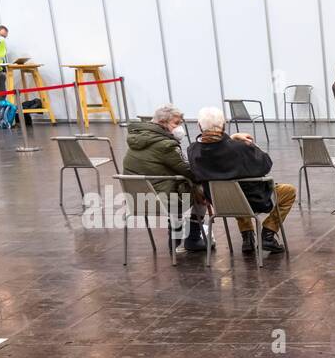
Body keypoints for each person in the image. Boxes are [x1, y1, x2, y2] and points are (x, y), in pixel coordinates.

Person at [188, 106, 293, 255]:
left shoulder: (193, 151)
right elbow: (266, 164)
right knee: (288, 191)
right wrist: (248, 145)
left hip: (219, 202)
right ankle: (268, 233)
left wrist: (231, 138)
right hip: (253, 200)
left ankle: (247, 237)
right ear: (224, 125)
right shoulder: (240, 149)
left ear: (199, 126)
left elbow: (216, 148)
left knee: (232, 189)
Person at [124, 103, 209, 253]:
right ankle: (193, 238)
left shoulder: (135, 140)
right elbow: (189, 171)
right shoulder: (166, 145)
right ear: (162, 123)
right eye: (176, 123)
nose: (179, 127)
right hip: (164, 200)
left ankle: (176, 228)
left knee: (176, 184)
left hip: (136, 200)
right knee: (201, 189)